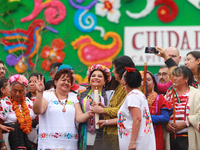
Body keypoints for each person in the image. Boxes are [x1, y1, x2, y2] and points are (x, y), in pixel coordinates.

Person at [33, 67, 93, 149]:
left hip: (69, 144)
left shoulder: (74, 97)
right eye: (63, 80)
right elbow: (38, 111)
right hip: (49, 144)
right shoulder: (47, 95)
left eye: (69, 81)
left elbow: (79, 117)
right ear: (55, 81)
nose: (66, 82)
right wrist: (39, 93)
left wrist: (90, 112)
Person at [97, 67, 156, 150]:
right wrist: (106, 121)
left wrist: (132, 142)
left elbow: (137, 119)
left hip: (136, 143)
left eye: (122, 77)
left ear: (125, 81)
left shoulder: (133, 96)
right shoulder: (137, 94)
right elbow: (126, 118)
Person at [90, 55, 135, 149]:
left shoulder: (131, 89)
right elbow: (117, 108)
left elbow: (122, 111)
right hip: (111, 134)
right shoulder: (120, 86)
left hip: (121, 135)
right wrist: (104, 108)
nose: (113, 71)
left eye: (114, 68)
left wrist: (102, 111)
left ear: (121, 71)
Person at [78, 64, 114, 150]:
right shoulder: (79, 95)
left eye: (100, 76)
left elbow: (114, 111)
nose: (96, 78)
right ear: (89, 79)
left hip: (103, 131)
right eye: (93, 76)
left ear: (105, 81)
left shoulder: (111, 95)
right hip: (84, 132)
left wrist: (102, 108)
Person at [164, 66, 200, 150]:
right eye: (173, 76)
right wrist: (166, 123)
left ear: (186, 78)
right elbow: (162, 112)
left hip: (188, 137)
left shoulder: (196, 94)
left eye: (177, 76)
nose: (174, 78)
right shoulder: (168, 94)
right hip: (171, 138)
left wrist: (185, 123)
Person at [0, 74, 37, 150]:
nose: (17, 94)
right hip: (10, 142)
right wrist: (3, 145)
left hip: (29, 140)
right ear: (10, 90)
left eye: (20, 91)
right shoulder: (4, 103)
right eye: (14, 91)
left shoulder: (28, 101)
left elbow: (37, 117)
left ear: (25, 92)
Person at [141, 71, 172, 150]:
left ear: (154, 83)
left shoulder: (160, 98)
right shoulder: (136, 98)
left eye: (148, 79)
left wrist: (147, 118)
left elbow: (165, 117)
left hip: (155, 137)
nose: (145, 82)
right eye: (142, 80)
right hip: (139, 137)